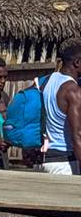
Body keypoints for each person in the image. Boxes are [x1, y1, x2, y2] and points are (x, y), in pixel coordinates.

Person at [41, 40, 81, 175]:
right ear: (77, 62)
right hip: (64, 163)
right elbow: (78, 135)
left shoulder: (47, 81)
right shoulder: (73, 90)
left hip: (45, 160)